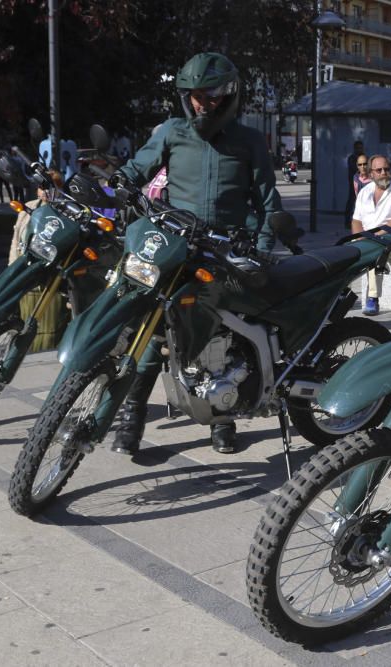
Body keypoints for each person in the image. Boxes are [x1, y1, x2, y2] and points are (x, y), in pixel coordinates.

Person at [108, 51, 283, 457]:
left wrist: (259, 252)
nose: (202, 103)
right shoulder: (172, 131)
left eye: (210, 95)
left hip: (222, 252)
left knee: (218, 336)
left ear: (230, 95)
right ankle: (132, 417)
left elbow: (268, 204)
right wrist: (120, 182)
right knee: (153, 333)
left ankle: (221, 419)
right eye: (194, 96)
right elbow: (137, 170)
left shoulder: (250, 141)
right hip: (174, 247)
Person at [352, 155, 391, 315]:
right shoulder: (364, 192)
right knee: (345, 253)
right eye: (379, 170)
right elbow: (356, 221)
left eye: (387, 169)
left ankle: (372, 298)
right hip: (369, 237)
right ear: (371, 174)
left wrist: (373, 236)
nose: (384, 173)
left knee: (374, 250)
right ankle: (342, 295)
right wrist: (358, 238)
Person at [343, 140, 365, 229]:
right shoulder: (352, 158)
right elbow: (355, 169)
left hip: (364, 183)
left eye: (361, 148)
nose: (360, 149)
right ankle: (348, 222)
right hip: (355, 183)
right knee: (351, 202)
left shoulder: (363, 157)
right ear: (355, 148)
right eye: (358, 148)